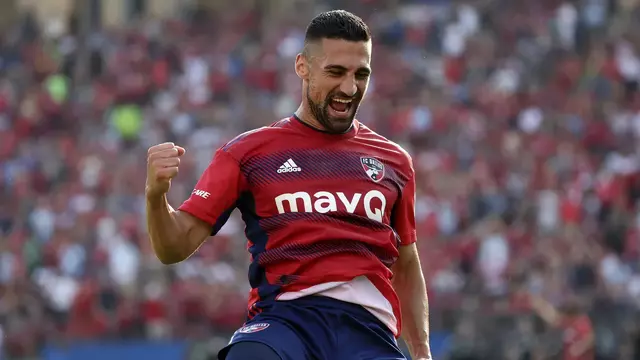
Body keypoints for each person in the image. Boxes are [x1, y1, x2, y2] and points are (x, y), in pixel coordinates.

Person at [145, 10, 431, 360]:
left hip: (367, 331)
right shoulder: (247, 153)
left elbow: (406, 261)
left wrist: (421, 351)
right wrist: (156, 197)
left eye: (361, 74)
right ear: (302, 67)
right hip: (285, 322)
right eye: (336, 72)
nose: (349, 87)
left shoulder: (394, 161)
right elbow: (173, 247)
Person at [529, 295, 594, 360]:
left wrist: (579, 347)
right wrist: (540, 304)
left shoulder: (582, 322)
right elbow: (554, 318)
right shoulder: (568, 323)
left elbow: (590, 338)